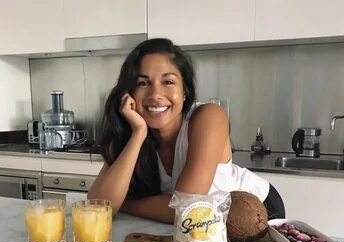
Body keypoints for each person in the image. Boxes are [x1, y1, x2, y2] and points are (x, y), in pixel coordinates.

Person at [88, 38, 285, 223]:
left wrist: (125, 204)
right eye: (143, 83)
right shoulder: (131, 131)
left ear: (184, 92)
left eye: (168, 82)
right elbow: (98, 207)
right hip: (200, 226)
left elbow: (186, 207)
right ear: (129, 94)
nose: (155, 95)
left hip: (255, 210)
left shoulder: (209, 116)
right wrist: (138, 134)